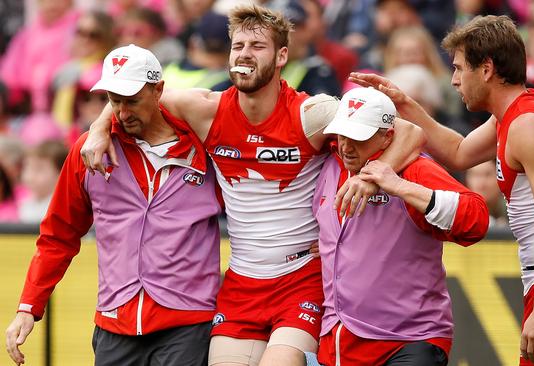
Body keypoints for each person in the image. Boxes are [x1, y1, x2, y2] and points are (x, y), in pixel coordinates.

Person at [80, 5, 422, 366]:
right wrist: (101, 127)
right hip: (242, 283)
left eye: (257, 46)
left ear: (281, 56)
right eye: (237, 46)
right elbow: (137, 96)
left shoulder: (312, 114)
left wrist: (374, 177)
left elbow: (410, 132)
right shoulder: (206, 109)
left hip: (300, 280)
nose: (244, 54)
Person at [350, 14, 534, 365]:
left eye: (459, 69)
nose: (454, 80)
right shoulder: (516, 112)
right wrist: (407, 105)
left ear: (486, 69)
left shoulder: (527, 126)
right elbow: (459, 152)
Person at [5, 44, 223, 366]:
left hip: (188, 324)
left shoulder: (205, 145)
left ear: (159, 90)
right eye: (114, 100)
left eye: (132, 100)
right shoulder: (89, 150)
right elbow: (58, 234)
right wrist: (28, 307)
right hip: (113, 324)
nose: (122, 112)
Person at [314, 86, 489, 366]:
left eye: (358, 137)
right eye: (342, 133)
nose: (346, 145)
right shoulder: (330, 161)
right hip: (339, 341)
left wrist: (399, 186)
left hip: (409, 340)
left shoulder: (416, 170)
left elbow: (476, 220)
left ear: (388, 137)